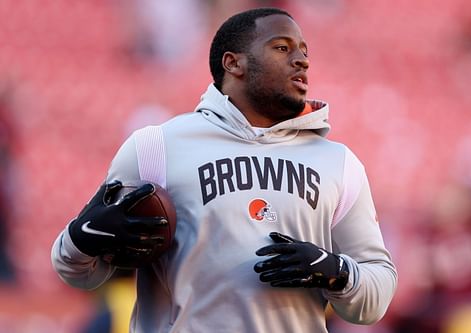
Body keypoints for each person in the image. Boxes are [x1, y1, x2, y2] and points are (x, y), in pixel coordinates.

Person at [51, 7, 397, 333]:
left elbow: (376, 297)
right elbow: (76, 271)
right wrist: (83, 237)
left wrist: (336, 272)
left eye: (304, 51)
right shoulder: (154, 147)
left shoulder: (339, 162)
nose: (301, 60)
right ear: (233, 63)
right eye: (282, 47)